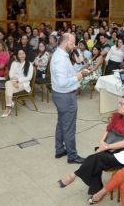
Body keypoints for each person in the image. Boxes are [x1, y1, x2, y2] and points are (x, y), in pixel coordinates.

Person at [57, 95, 124, 200]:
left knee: (96, 158)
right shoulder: (116, 116)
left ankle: (74, 176)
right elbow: (107, 130)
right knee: (95, 160)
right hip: (110, 147)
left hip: (123, 154)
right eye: (119, 103)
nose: (119, 105)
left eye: (121, 103)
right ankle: (96, 191)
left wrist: (105, 147)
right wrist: (102, 142)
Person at [50, 33, 88, 164]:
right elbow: (62, 82)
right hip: (66, 96)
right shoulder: (60, 58)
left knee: (62, 122)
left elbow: (68, 72)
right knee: (69, 127)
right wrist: (79, 76)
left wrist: (79, 64)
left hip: (60, 95)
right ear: (66, 43)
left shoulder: (60, 55)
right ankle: (72, 156)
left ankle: (59, 149)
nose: (74, 47)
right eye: (72, 44)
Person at [1, 49, 34, 117]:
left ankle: (8, 107)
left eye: (23, 53)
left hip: (24, 84)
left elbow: (29, 78)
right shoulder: (14, 63)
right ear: (17, 55)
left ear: (25, 54)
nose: (21, 55)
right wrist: (14, 82)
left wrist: (18, 80)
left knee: (7, 86)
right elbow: (11, 74)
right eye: (19, 54)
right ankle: (9, 105)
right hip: (13, 83)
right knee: (8, 85)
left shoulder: (29, 64)